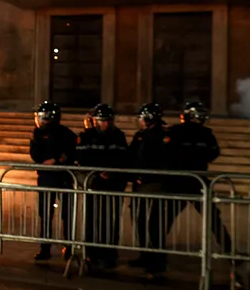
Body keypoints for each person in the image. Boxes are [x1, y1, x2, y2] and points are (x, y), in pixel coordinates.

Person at [164, 102, 233, 258]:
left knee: (168, 217)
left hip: (186, 180)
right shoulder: (201, 133)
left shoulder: (178, 132)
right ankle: (228, 250)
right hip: (190, 180)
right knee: (212, 219)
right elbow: (213, 153)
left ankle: (155, 252)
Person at [75, 103, 129, 269]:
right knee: (91, 219)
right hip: (95, 183)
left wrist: (111, 172)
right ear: (95, 121)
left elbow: (123, 157)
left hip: (113, 184)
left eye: (107, 120)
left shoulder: (118, 136)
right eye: (102, 120)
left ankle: (110, 253)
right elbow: (82, 158)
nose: (105, 124)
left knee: (111, 220)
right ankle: (91, 253)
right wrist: (98, 172)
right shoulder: (87, 136)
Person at [29, 101, 78, 261]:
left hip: (63, 178)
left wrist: (56, 160)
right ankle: (45, 248)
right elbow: (35, 154)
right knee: (45, 214)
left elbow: (71, 153)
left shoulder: (65, 133)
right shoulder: (37, 133)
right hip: (46, 178)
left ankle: (69, 247)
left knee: (67, 215)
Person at [128, 102, 171, 276]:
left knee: (154, 223)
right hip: (140, 184)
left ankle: (157, 260)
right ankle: (145, 255)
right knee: (140, 221)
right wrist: (134, 175)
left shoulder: (162, 136)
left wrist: (145, 175)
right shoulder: (141, 135)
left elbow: (161, 160)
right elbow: (131, 155)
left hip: (154, 184)